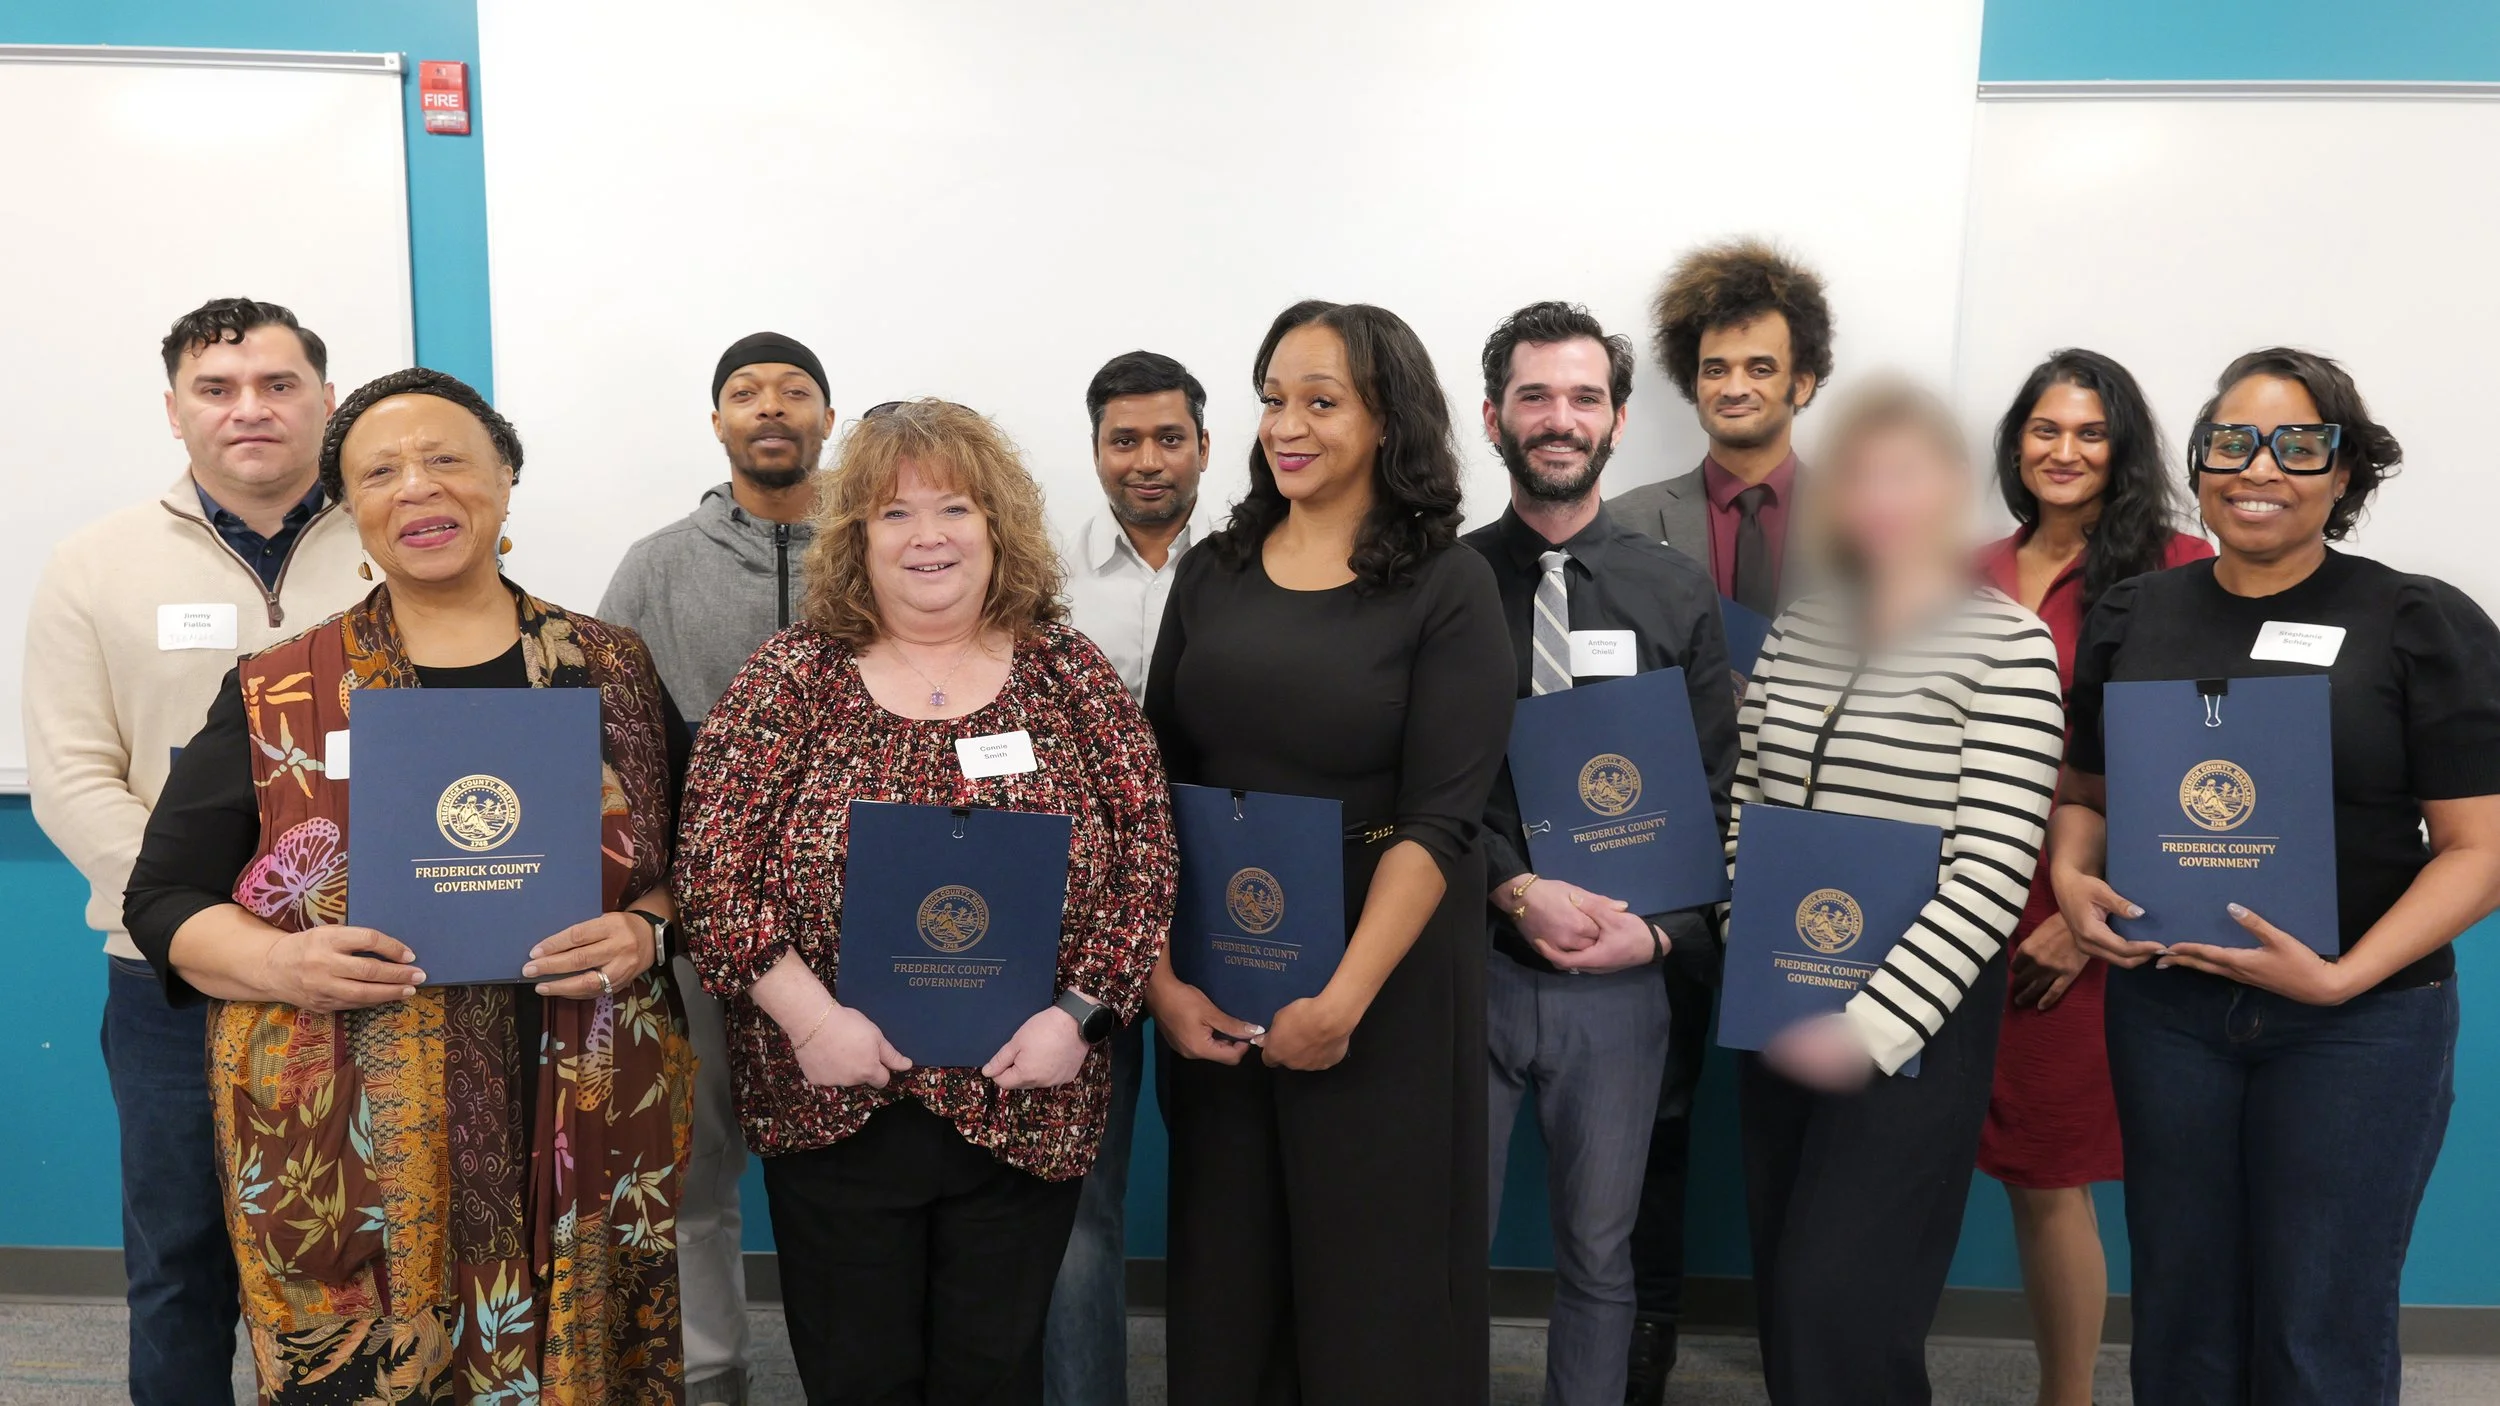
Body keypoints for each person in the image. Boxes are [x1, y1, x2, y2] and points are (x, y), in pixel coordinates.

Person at [121, 367, 695, 1400]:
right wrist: (281, 958)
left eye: (447, 458)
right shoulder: (281, 685)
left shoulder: (610, 665)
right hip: (357, 1136)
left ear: (505, 479)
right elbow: (161, 900)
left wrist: (647, 930)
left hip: (581, 1105)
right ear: (352, 511)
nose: (416, 487)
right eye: (378, 472)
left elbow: (698, 861)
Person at [672, 399, 1176, 1405]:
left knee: (993, 1375)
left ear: (998, 526)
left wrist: (1078, 1018)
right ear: (855, 537)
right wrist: (811, 1020)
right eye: (894, 515)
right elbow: (711, 870)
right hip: (832, 1097)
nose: (928, 535)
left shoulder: (1067, 674)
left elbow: (1146, 862)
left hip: (1027, 1094)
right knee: (859, 1375)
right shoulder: (791, 677)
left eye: (954, 507)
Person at [2051, 348, 2500, 1406]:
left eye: (2300, 444)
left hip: (2360, 1023)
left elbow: (2481, 851)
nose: (2261, 466)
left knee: (2319, 1325)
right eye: (2231, 441)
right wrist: (2073, 876)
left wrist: (2342, 978)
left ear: (2345, 473)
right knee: (2184, 1313)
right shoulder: (2132, 615)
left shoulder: (2416, 620)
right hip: (2169, 1010)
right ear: (2198, 465)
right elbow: (2084, 795)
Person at [1145, 300, 1514, 1406]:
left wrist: (1343, 1000)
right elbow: (1153, 787)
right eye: (1271, 398)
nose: (1286, 425)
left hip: (1382, 979)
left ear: (1389, 417)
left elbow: (1443, 820)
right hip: (1220, 965)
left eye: (1320, 400)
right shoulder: (1213, 570)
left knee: (1374, 1282)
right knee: (1228, 1271)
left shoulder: (1449, 585)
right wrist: (1161, 982)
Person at [23, 297, 366, 1405]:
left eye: (278, 384)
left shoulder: (402, 539)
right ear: (174, 411)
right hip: (166, 979)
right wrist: (208, 925)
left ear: (324, 396)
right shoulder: (94, 563)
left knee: (367, 1258)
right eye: (216, 389)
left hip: (368, 964)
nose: (249, 409)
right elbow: (74, 776)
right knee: (179, 1260)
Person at [1729, 377, 2063, 1404]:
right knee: (1788, 1296)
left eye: (1906, 473)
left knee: (1850, 1309)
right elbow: (1747, 798)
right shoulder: (1801, 627)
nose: (1879, 495)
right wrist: (1757, 951)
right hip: (1780, 999)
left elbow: (1993, 869)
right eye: (1860, 473)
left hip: (1911, 1021)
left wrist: (1871, 1027)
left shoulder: (2007, 646)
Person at [1463, 302, 1739, 1406]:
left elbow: (1722, 792)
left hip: (1626, 976)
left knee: (1600, 1256)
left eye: (1583, 396)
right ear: (1492, 415)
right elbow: (1423, 792)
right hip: (1468, 961)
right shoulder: (1443, 586)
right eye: (1534, 395)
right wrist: (1514, 887)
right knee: (1446, 1253)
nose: (1558, 417)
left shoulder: (1676, 592)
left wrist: (1660, 931)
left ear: (1618, 418)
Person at [1604, 237, 1836, 1401]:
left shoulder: (1871, 523)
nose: (1733, 385)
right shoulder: (1624, 523)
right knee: (1655, 1116)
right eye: (1712, 366)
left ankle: (1813, 1350)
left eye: (1759, 365)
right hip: (1661, 864)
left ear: (1805, 380)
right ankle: (1641, 1342)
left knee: (1813, 1118)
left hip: (1818, 865)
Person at [599, 330, 837, 1405]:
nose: (771, 407)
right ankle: (713, 1379)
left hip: (848, 924)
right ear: (717, 423)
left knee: (841, 1166)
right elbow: (604, 733)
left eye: (795, 391)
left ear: (829, 418)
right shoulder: (656, 564)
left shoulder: (881, 546)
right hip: (696, 921)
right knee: (695, 1167)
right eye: (746, 392)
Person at [1974, 350, 2212, 1406]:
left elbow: (2190, 760)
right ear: (2015, 441)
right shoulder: (1968, 568)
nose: (2061, 450)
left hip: (2094, 906)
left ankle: (2064, 1394)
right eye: (2042, 428)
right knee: (1996, 1156)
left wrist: (2081, 915)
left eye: (2087, 431)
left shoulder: (2176, 565)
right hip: (1962, 895)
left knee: (2051, 1172)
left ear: (2121, 446)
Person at [1045, 349, 1211, 1406]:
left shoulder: (1255, 567)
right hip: (1083, 923)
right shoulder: (1043, 582)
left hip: (1230, 919)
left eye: (1168, 438)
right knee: (1079, 1199)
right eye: (1124, 439)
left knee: (1230, 1190)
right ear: (1097, 448)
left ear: (1204, 443)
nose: (1146, 460)